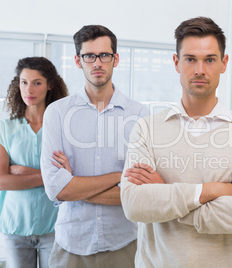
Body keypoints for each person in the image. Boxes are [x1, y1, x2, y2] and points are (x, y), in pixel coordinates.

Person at [120, 17, 232, 267]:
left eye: (209, 59)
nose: (200, 70)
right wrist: (209, 190)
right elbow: (135, 205)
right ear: (177, 63)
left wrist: (165, 193)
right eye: (190, 59)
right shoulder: (146, 128)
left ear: (224, 63)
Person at [40, 25, 148, 268]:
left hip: (124, 244)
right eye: (89, 56)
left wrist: (75, 182)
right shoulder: (57, 113)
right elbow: (56, 190)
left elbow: (139, 193)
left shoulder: (140, 114)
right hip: (71, 244)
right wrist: (118, 176)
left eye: (104, 55)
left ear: (115, 59)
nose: (97, 63)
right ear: (78, 61)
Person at [0, 57, 68, 268]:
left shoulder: (64, 129)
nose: (29, 89)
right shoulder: (5, 128)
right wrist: (50, 177)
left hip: (55, 226)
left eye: (37, 82)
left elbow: (72, 177)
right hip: (15, 227)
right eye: (24, 82)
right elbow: (1, 181)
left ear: (50, 85)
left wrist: (20, 172)